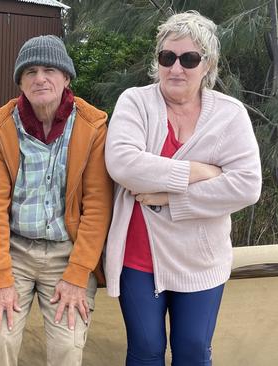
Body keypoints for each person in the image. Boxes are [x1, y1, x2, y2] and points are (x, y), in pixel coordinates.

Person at [104, 11, 262, 365]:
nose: (176, 68)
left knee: (192, 350)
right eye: (167, 58)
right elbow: (123, 164)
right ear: (157, 61)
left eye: (189, 59)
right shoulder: (135, 102)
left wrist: (172, 199)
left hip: (201, 258)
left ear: (208, 65)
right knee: (145, 351)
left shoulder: (230, 114)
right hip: (140, 257)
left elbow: (247, 185)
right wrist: (200, 171)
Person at [0, 35, 113, 366]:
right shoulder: (1, 127)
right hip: (13, 250)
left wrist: (78, 274)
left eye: (50, 69)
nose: (40, 78)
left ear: (66, 78)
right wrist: (1, 278)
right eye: (30, 71)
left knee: (67, 347)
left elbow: (97, 208)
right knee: (0, 341)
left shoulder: (92, 127)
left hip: (67, 252)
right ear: (20, 80)